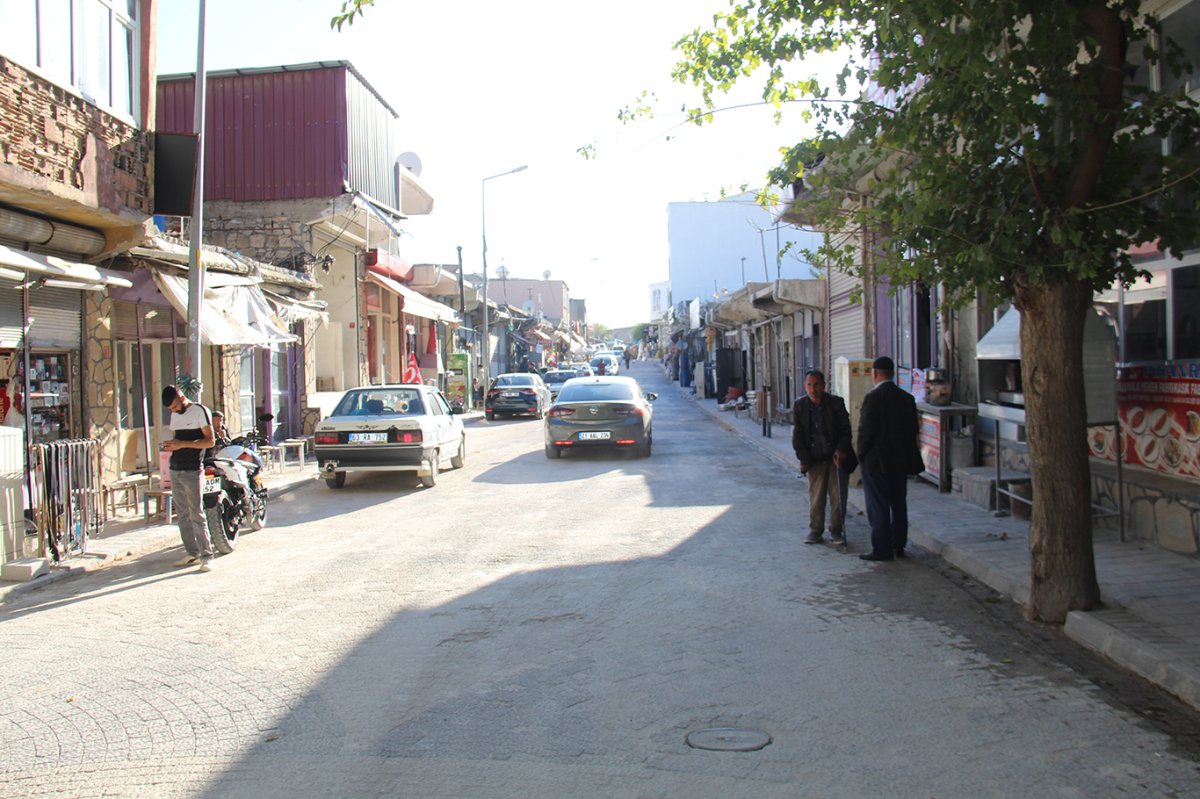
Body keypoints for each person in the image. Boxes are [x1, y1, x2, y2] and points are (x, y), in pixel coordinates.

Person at [855, 356, 924, 562]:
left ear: (875, 374)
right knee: (898, 503)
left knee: (879, 506)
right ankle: (898, 544)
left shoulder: (873, 398)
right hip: (900, 460)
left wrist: (861, 454)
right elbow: (913, 429)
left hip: (876, 462)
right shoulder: (906, 398)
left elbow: (866, 431)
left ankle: (881, 549)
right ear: (892, 373)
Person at [792, 369, 855, 545]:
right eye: (809, 385)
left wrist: (841, 450)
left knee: (838, 497)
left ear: (824, 385)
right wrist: (803, 459)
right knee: (816, 497)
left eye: (816, 385)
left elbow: (845, 430)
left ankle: (836, 530)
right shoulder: (800, 406)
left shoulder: (835, 403)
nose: (813, 389)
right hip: (815, 459)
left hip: (836, 458)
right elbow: (798, 436)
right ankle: (815, 530)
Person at [162, 385, 217, 572]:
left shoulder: (200, 411)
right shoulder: (174, 416)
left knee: (196, 514)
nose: (174, 410)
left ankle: (207, 555)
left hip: (193, 470)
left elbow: (210, 441)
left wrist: (182, 444)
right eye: (170, 409)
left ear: (181, 397)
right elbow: (177, 438)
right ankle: (192, 553)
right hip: (175, 469)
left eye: (175, 406)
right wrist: (171, 446)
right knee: (183, 516)